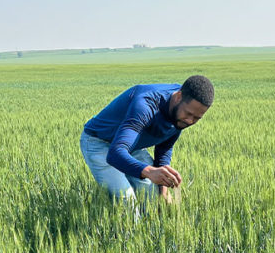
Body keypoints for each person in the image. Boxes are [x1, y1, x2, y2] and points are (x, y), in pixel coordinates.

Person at [80, 75, 213, 203]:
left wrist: (163, 193)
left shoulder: (183, 107)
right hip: (98, 143)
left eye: (197, 118)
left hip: (132, 145)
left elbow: (164, 148)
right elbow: (115, 154)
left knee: (152, 195)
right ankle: (128, 226)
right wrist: (149, 172)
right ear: (178, 97)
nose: (190, 121)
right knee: (126, 199)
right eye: (189, 114)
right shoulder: (146, 104)